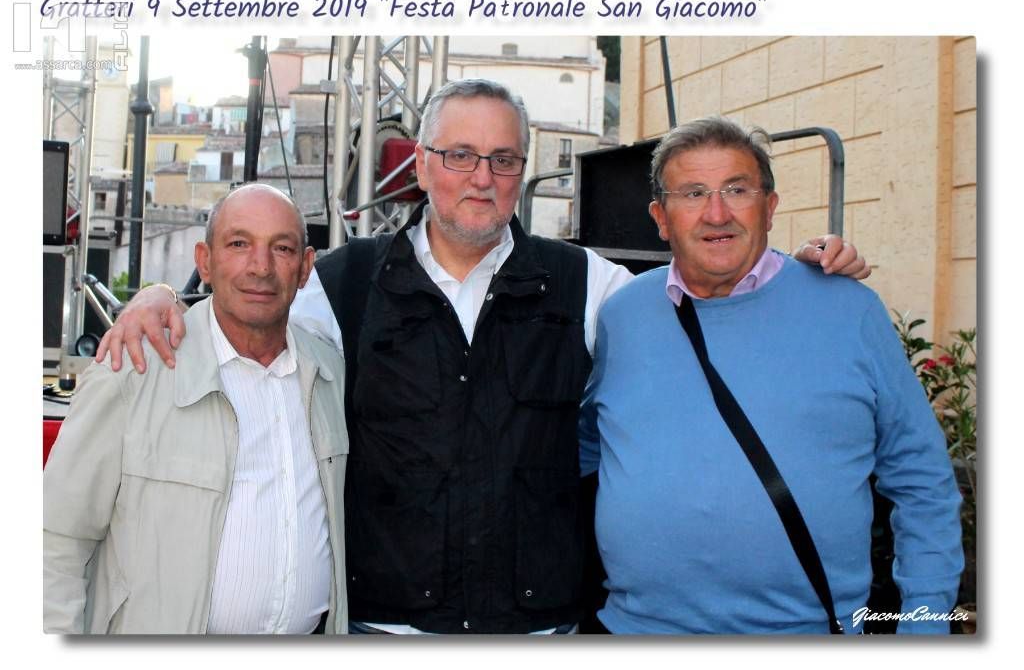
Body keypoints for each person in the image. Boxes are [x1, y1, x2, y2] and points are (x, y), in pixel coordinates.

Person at [94, 79, 869, 634]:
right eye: (460, 155)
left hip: (540, 632)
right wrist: (162, 300)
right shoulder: (343, 284)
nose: (481, 178)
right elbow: (247, 313)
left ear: (521, 171)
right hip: (386, 632)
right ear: (422, 164)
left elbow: (707, 292)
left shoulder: (590, 285)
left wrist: (792, 275)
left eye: (502, 159)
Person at [579, 117, 964, 634]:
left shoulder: (848, 310)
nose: (717, 213)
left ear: (770, 207)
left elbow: (922, 480)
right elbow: (587, 446)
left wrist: (926, 627)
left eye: (737, 190)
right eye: (693, 193)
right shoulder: (622, 316)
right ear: (661, 217)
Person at [44, 184, 350, 634]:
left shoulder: (329, 372)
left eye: (281, 248)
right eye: (239, 244)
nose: (260, 267)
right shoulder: (133, 371)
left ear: (305, 268)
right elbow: (55, 541)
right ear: (205, 261)